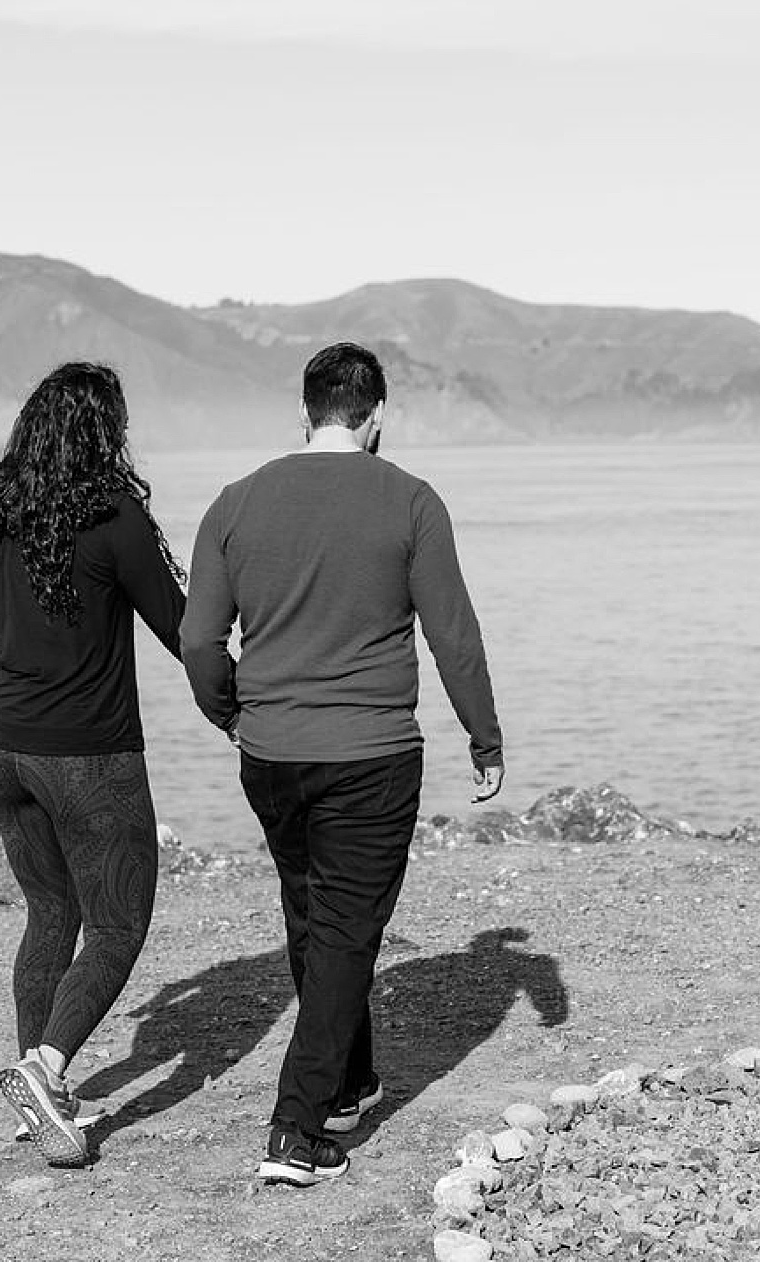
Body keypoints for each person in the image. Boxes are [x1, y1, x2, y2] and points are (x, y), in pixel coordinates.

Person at [181, 341, 505, 1186]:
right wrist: (486, 738)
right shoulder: (411, 500)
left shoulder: (235, 502)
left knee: (315, 914)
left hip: (273, 753)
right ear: (377, 417)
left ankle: (351, 1079)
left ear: (305, 412)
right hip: (370, 755)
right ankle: (295, 1128)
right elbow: (453, 636)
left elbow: (196, 639)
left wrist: (229, 713)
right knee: (348, 930)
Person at [0, 360, 187, 1168]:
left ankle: (36, 1105)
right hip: (89, 757)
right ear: (104, 430)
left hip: (4, 750)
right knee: (119, 923)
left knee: (49, 914)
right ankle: (44, 1069)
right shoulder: (113, 514)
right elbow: (180, 627)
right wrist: (233, 705)